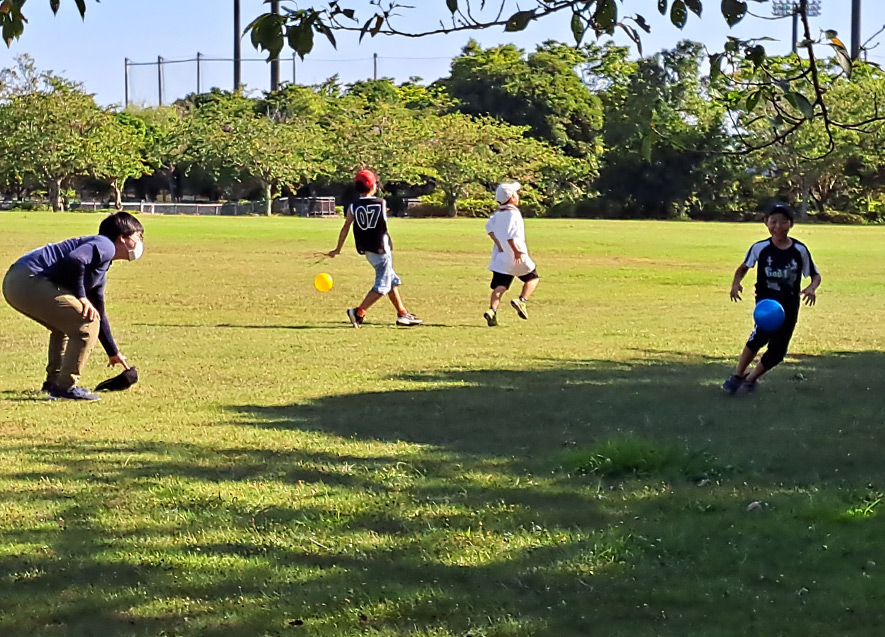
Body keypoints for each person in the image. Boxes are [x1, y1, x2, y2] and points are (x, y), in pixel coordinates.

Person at [2, 211, 145, 401]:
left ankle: (54, 383)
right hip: (29, 278)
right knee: (86, 323)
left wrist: (113, 352)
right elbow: (75, 259)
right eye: (138, 236)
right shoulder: (106, 245)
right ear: (122, 238)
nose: (141, 241)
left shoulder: (100, 268)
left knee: (67, 323)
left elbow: (99, 312)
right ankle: (65, 387)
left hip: (16, 281)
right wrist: (82, 297)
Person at [722, 202, 821, 395]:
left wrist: (811, 287)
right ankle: (737, 375)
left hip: (790, 305)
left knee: (778, 352)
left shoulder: (799, 250)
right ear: (766, 223)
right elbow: (743, 268)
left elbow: (815, 275)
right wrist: (736, 284)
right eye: (773, 221)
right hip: (766, 304)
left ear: (790, 224)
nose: (777, 226)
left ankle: (750, 379)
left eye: (783, 222)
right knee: (758, 337)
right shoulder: (760, 248)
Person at [326, 169, 422, 329]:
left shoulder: (353, 206)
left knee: (391, 281)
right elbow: (382, 225)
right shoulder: (380, 203)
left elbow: (345, 228)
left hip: (368, 250)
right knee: (382, 285)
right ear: (373, 186)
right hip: (381, 249)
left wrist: (337, 249)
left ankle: (403, 314)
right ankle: (358, 311)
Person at [482, 182, 540, 327]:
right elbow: (511, 236)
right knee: (533, 279)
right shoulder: (514, 214)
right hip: (517, 255)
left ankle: (492, 311)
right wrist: (516, 251)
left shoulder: (497, 215)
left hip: (502, 258)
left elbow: (489, 229)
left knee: (500, 286)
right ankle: (522, 301)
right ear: (513, 198)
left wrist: (499, 245)